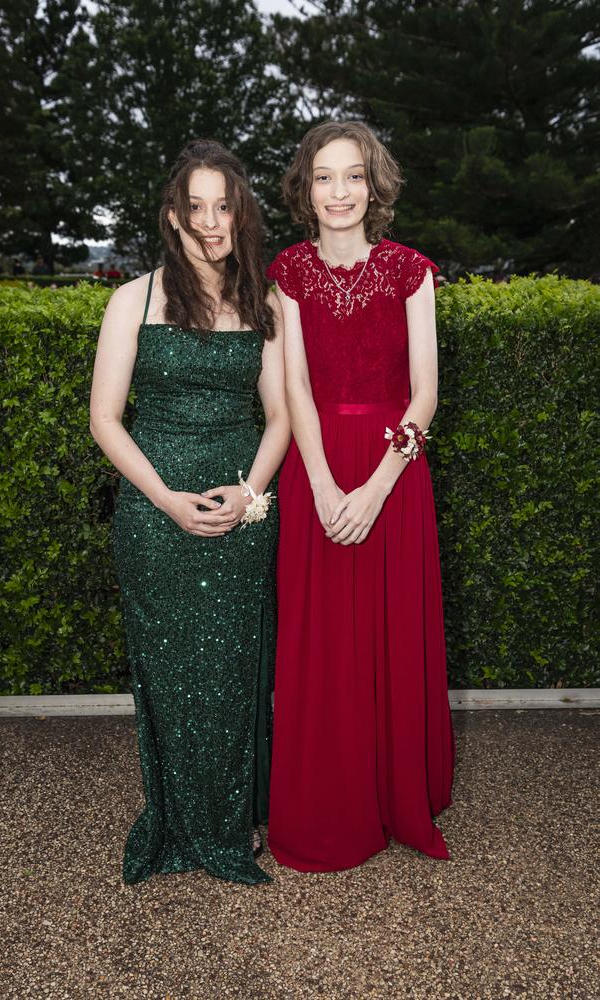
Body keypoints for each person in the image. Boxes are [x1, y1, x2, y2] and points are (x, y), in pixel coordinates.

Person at [90, 140, 289, 885]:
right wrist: (167, 500)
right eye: (195, 207)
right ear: (173, 218)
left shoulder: (266, 303)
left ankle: (231, 820)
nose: (211, 222)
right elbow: (106, 419)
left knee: (238, 669)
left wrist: (249, 492)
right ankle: (175, 821)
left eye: (224, 206)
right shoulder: (132, 299)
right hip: (154, 512)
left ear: (241, 216)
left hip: (241, 512)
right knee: (171, 672)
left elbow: (279, 418)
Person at [267, 120, 455, 872]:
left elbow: (427, 392)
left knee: (388, 634)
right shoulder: (287, 271)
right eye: (324, 177)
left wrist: (377, 486)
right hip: (315, 466)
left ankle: (395, 793)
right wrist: (317, 481)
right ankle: (328, 800)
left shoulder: (412, 270)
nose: (339, 192)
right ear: (304, 189)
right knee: (324, 643)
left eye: (353, 176)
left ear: (374, 186)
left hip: (393, 473)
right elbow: (295, 388)